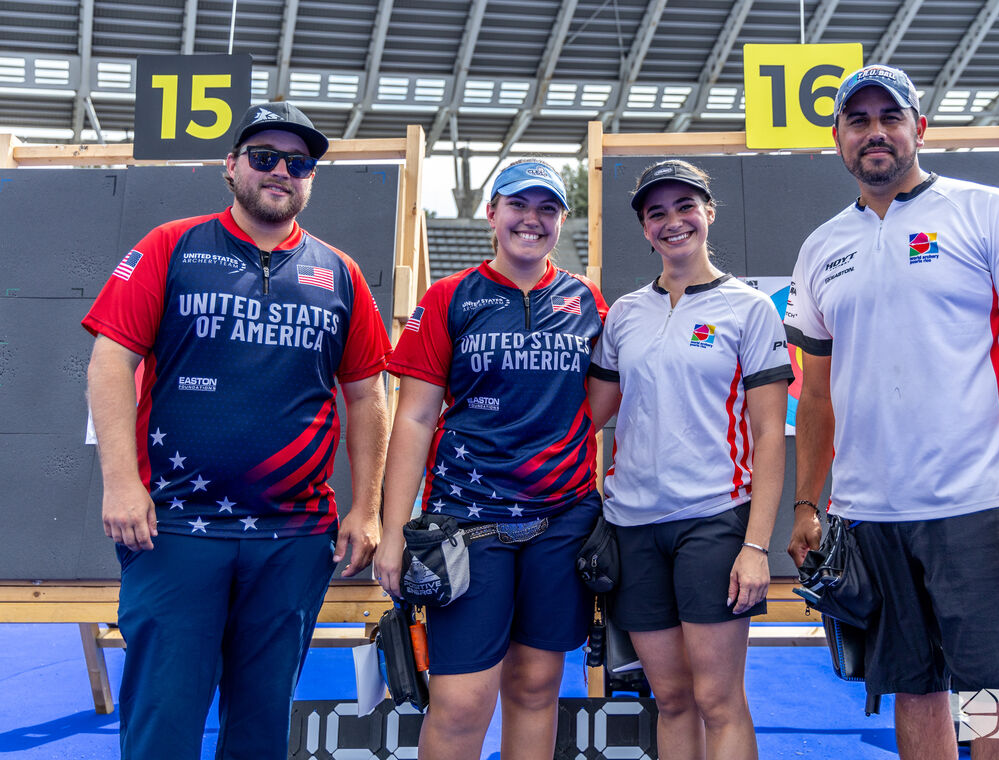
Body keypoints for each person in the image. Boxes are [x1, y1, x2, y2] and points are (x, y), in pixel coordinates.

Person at [83, 101, 392, 760]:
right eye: (264, 157)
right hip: (174, 528)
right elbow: (111, 362)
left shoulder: (340, 273)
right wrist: (120, 484)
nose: (281, 170)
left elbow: (368, 395)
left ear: (310, 178)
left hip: (291, 537)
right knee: (162, 723)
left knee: (260, 729)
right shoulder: (170, 245)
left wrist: (366, 510)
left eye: (298, 162)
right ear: (231, 167)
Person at [784, 65, 999, 760]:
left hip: (977, 506)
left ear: (920, 127)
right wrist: (806, 506)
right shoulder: (821, 248)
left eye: (891, 117)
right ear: (837, 138)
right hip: (868, 515)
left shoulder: (988, 211)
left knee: (991, 702)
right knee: (912, 693)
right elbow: (815, 396)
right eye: (859, 120)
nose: (875, 132)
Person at [374, 160, 607, 760]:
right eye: (518, 206)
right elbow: (415, 418)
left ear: (561, 220)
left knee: (535, 687)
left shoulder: (586, 300)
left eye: (547, 209)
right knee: (460, 702)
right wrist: (395, 530)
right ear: (492, 213)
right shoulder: (450, 297)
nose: (532, 220)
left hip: (561, 523)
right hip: (468, 527)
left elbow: (604, 404)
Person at [587, 160, 792, 760]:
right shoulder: (623, 314)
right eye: (657, 214)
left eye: (685, 208)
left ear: (708, 213)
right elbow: (591, 413)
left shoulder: (750, 308)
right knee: (671, 698)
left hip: (714, 522)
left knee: (719, 699)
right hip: (632, 528)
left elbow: (767, 438)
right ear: (645, 229)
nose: (673, 222)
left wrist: (755, 547)